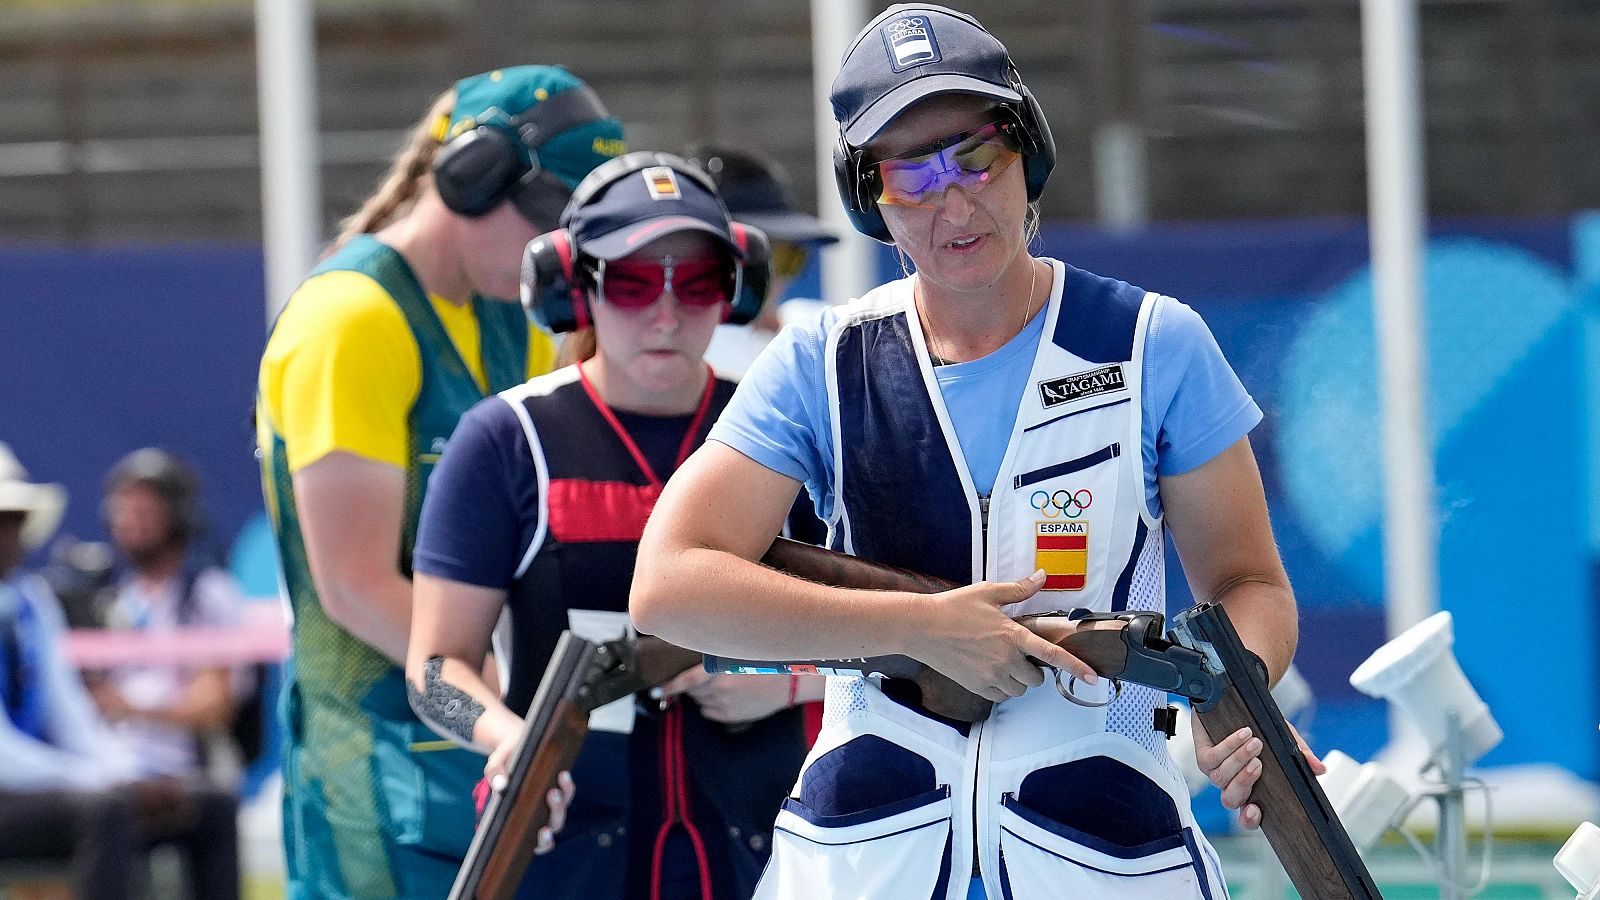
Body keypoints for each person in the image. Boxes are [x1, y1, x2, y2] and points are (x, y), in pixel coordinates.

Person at [631, 6, 1321, 899]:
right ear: (867, 197)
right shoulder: (819, 361)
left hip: (1106, 848)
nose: (951, 199)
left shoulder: (1155, 343)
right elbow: (667, 587)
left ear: (1026, 151)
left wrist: (1233, 696)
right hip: (865, 857)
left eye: (975, 153)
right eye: (908, 173)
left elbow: (1251, 588)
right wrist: (918, 628)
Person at [256, 65, 625, 898]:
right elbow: (353, 588)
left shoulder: (509, 310)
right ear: (467, 178)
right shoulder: (348, 320)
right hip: (373, 775)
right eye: (542, 217)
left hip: (483, 749)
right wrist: (509, 722)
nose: (552, 250)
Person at [406, 151, 813, 899]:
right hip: (569, 858)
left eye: (695, 283)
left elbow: (887, 639)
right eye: (631, 282)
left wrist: (786, 683)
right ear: (575, 286)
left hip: (766, 852)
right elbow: (436, 668)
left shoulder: (789, 430)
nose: (665, 314)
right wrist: (514, 745)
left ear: (734, 288)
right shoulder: (506, 440)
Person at [0, 442, 238, 900]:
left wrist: (131, 776)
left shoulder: (32, 601)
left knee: (210, 805)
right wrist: (108, 782)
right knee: (105, 812)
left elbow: (73, 718)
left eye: (16, 519)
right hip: (24, 790)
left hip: (47, 787)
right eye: (0, 520)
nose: (12, 534)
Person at [684, 144, 838, 379]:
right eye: (753, 255)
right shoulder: (686, 361)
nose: (772, 279)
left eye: (787, 258)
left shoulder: (822, 329)